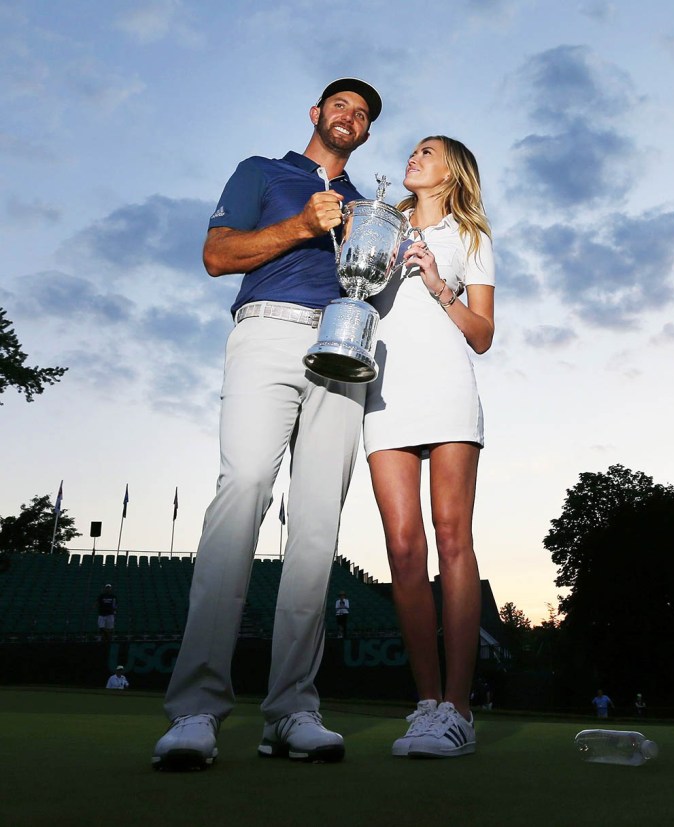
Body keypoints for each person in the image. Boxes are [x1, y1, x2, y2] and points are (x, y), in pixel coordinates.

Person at [152, 78, 382, 771]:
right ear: (316, 115)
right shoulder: (263, 171)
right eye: (340, 105)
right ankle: (196, 708)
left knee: (316, 524)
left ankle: (292, 710)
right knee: (245, 487)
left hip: (346, 345)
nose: (350, 116)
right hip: (270, 333)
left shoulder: (372, 207)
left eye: (363, 114)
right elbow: (218, 256)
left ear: (366, 134)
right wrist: (301, 226)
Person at [363, 136, 495, 758]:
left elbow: (484, 335)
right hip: (383, 393)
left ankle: (460, 710)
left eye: (427, 152)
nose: (412, 157)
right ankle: (424, 706)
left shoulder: (473, 238)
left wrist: (440, 285)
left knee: (452, 535)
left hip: (446, 392)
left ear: (452, 171)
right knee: (402, 546)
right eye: (412, 151)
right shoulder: (377, 225)